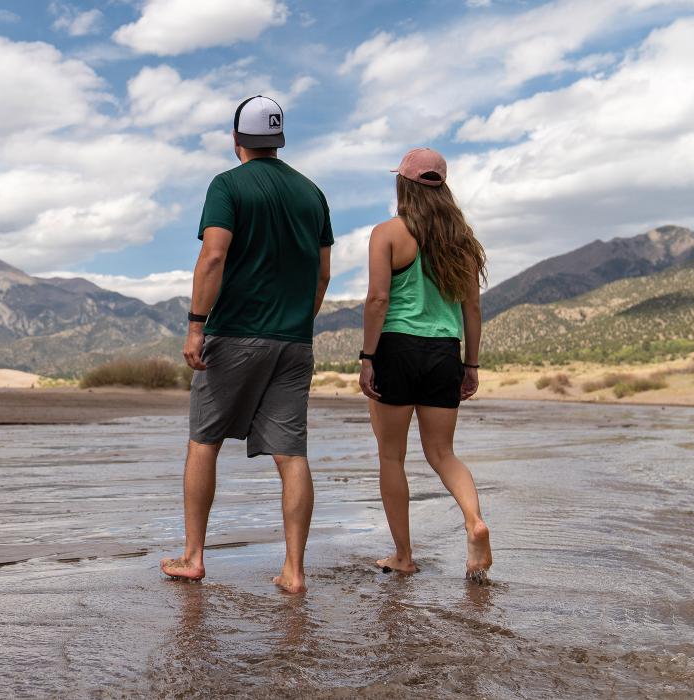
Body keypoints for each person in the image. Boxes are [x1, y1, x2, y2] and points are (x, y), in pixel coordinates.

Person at [160, 95, 333, 594]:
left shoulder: (227, 185)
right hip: (295, 341)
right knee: (292, 454)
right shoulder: (313, 194)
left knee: (204, 442)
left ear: (237, 140)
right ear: (279, 139)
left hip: (234, 334)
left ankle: (193, 556)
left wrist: (197, 325)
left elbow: (213, 258)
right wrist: (300, 318)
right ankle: (295, 572)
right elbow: (321, 275)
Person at [358, 147, 493, 584]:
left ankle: (403, 556)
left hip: (396, 348)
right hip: (443, 353)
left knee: (392, 457)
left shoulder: (387, 234)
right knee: (442, 453)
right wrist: (470, 364)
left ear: (404, 184)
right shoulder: (461, 243)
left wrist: (367, 358)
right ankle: (474, 519)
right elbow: (472, 308)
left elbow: (378, 300)